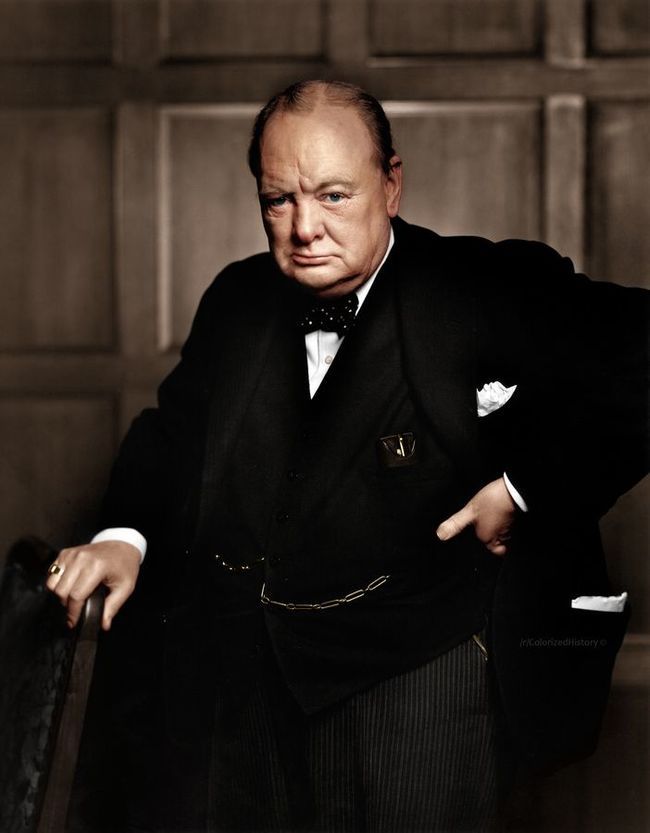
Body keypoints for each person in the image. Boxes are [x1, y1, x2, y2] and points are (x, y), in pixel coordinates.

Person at [46, 80, 648, 832]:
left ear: (391, 185)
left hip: (421, 678)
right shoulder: (236, 298)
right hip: (243, 682)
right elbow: (171, 435)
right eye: (278, 200)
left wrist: (524, 487)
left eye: (333, 195)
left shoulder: (479, 284)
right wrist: (122, 539)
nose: (304, 228)